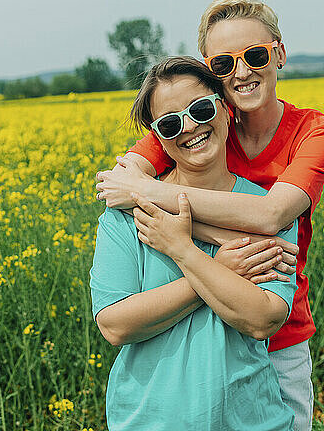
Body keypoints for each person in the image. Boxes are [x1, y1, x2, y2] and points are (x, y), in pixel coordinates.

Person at [96, 0, 324, 431]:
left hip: (277, 328)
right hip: (177, 368)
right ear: (211, 74)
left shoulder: (313, 131)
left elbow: (270, 217)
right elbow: (127, 184)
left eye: (254, 55)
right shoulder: (193, 120)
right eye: (224, 64)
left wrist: (183, 238)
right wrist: (217, 250)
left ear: (279, 54)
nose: (242, 72)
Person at [91, 57, 298, 430]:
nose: (190, 127)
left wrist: (183, 250)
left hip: (252, 420)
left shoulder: (266, 210)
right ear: (158, 137)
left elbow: (263, 318)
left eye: (201, 109)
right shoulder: (125, 213)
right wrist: (217, 271)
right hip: (150, 421)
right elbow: (115, 325)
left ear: (225, 111)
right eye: (170, 123)